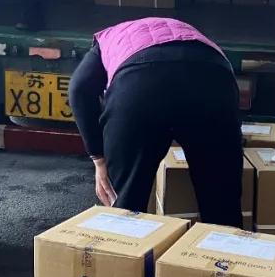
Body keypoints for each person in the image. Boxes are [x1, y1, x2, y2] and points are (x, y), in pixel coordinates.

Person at [68, 18, 244, 227]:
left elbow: (79, 89)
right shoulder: (192, 34)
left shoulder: (106, 39)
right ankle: (225, 246)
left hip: (139, 86)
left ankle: (126, 244)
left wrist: (99, 158)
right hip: (213, 80)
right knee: (223, 206)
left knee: (126, 207)